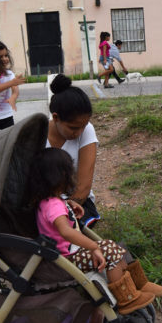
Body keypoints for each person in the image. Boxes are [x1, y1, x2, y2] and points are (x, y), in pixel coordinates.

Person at [29, 147, 162, 323]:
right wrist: (92, 246)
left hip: (67, 254)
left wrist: (70, 204)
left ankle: (138, 286)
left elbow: (58, 216)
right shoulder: (53, 206)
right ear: (60, 176)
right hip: (66, 258)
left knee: (114, 248)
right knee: (109, 250)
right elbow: (65, 232)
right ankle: (126, 298)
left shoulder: (49, 202)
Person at [46, 74, 101, 227]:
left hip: (76, 202)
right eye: (73, 128)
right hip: (45, 203)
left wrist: (65, 211)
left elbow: (83, 187)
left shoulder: (87, 130)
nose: (79, 132)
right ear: (56, 118)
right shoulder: (37, 134)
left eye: (84, 126)